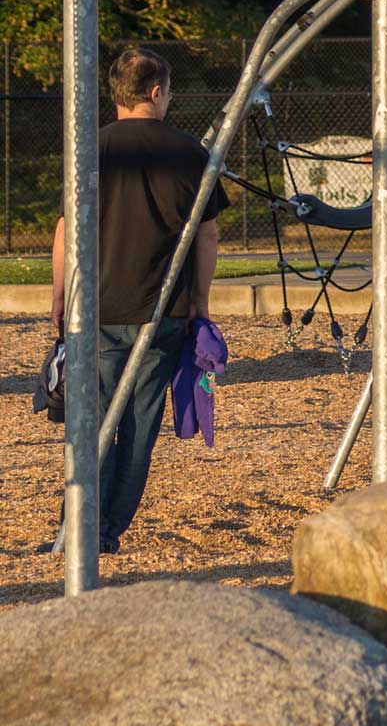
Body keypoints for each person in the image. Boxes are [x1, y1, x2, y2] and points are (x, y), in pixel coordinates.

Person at [48, 47, 230, 554]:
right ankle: (106, 532)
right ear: (157, 93)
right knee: (138, 428)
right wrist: (199, 301)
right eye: (168, 92)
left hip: (98, 306)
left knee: (91, 425)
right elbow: (206, 236)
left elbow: (66, 228)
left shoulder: (91, 146)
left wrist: (60, 296)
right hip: (162, 309)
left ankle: (75, 527)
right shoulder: (190, 152)